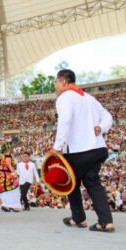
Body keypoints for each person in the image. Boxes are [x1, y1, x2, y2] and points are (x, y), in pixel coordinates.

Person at [48, 69, 115, 232]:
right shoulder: (89, 98)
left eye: (56, 82)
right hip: (97, 148)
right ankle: (106, 221)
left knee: (71, 182)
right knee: (92, 181)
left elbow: (65, 121)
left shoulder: (64, 97)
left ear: (63, 82)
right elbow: (108, 117)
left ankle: (79, 218)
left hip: (79, 150)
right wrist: (101, 127)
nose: (55, 86)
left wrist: (57, 147)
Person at [0, 143, 22, 212]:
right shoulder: (8, 156)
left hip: (0, 175)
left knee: (4, 190)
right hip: (7, 175)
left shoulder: (1, 157)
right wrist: (14, 173)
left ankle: (6, 205)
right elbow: (9, 165)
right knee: (13, 190)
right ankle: (12, 205)